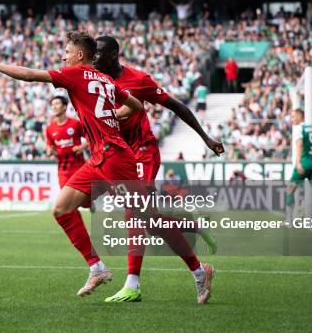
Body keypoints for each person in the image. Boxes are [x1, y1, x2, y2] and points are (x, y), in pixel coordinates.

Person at [0, 31, 147, 297]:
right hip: (99, 157)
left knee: (146, 217)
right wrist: (112, 116)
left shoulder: (74, 74)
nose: (63, 55)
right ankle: (97, 267)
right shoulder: (106, 79)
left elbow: (30, 75)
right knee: (62, 209)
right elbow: (136, 106)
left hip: (115, 156)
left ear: (79, 55)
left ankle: (199, 269)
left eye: (66, 51)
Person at [93, 35, 221, 303]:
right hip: (116, 154)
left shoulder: (138, 80)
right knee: (152, 223)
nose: (94, 57)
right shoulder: (91, 79)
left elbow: (176, 106)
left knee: (133, 213)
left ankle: (132, 284)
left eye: (99, 52)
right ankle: (199, 258)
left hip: (142, 152)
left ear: (114, 54)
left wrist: (205, 138)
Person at [284, 109, 312, 229]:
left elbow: (299, 146)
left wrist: (298, 163)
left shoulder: (299, 129)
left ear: (299, 117)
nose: (291, 119)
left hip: (303, 164)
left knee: (290, 190)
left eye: (293, 117)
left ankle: (289, 221)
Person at [45, 95, 88, 189]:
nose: (54, 107)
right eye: (52, 105)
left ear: (64, 107)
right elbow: (49, 149)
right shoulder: (50, 129)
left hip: (79, 168)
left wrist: (81, 147)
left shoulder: (75, 124)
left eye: (57, 104)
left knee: (87, 201)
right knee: (67, 201)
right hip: (63, 171)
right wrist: (50, 152)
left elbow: (91, 138)